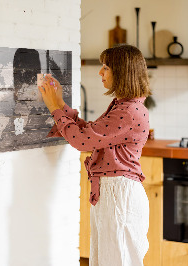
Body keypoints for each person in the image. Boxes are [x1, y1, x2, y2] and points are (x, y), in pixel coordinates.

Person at [38, 44, 151, 266]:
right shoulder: (124, 106)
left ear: (122, 71)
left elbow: (82, 141)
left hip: (119, 195)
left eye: (106, 67)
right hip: (113, 193)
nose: (100, 72)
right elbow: (90, 133)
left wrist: (54, 108)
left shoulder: (128, 111)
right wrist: (60, 103)